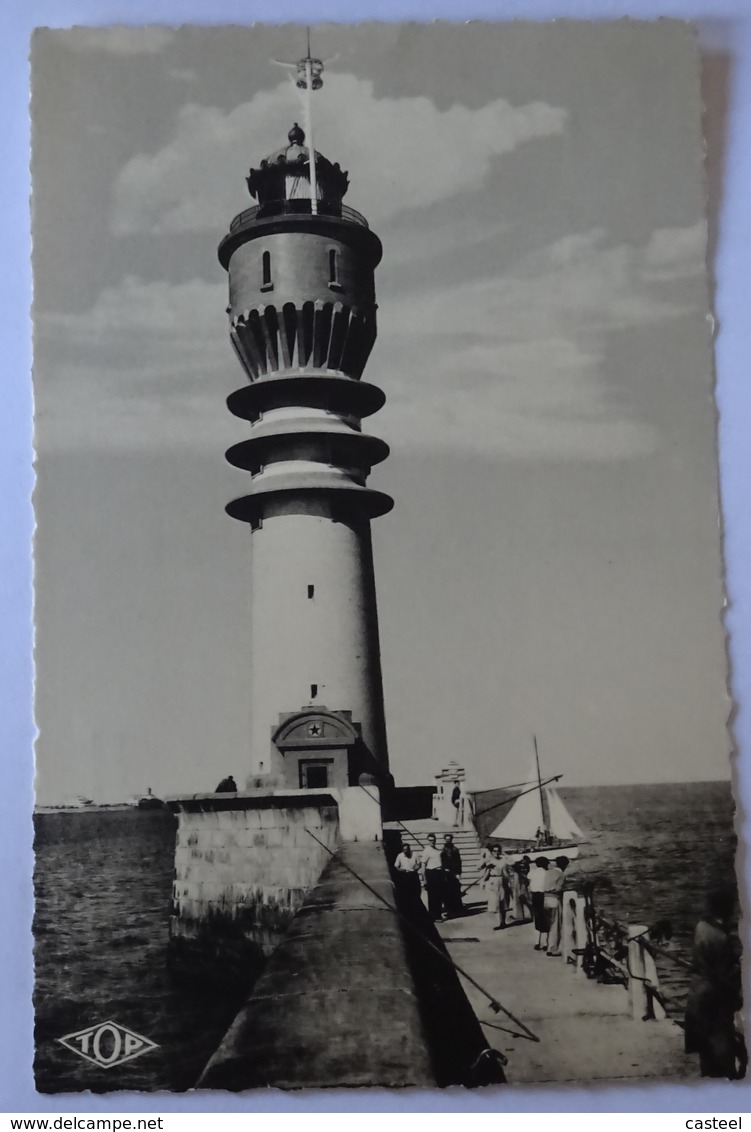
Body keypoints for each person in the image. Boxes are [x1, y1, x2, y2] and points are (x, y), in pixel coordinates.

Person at [685, 888, 744, 1078]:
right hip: (715, 996)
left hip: (698, 991)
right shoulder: (721, 937)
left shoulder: (701, 927)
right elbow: (723, 974)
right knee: (721, 1043)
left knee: (706, 1048)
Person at [544, 855, 569, 956]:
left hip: (545, 899)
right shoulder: (561, 874)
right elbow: (558, 889)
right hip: (554, 899)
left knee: (548, 924)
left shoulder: (548, 872)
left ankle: (546, 944)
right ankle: (553, 948)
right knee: (555, 925)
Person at [483, 845, 511, 930]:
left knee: (503, 902)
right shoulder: (489, 861)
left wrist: (509, 882)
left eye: (498, 851)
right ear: (492, 852)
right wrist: (483, 882)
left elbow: (506, 873)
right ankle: (499, 922)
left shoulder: (503, 861)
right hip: (492, 881)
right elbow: (485, 872)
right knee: (495, 902)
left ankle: (503, 922)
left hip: (501, 881)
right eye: (494, 851)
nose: (496, 853)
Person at [421, 833, 445, 921]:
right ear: (428, 841)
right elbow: (423, 865)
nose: (432, 842)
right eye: (430, 840)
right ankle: (433, 916)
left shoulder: (436, 850)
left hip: (439, 874)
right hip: (431, 873)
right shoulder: (427, 850)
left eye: (433, 840)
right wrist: (424, 880)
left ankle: (438, 915)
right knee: (432, 896)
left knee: (439, 895)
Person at [528, 857, 550, 950]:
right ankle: (545, 943)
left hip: (534, 896)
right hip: (543, 895)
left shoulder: (533, 872)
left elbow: (529, 879)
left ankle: (537, 942)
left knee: (537, 918)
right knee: (545, 919)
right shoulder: (546, 873)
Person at [441, 833, 464, 918]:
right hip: (446, 874)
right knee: (447, 894)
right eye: (446, 839)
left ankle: (458, 910)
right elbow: (442, 862)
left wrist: (458, 873)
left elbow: (459, 862)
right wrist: (444, 870)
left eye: (449, 839)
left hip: (454, 873)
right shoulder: (443, 850)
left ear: (451, 840)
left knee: (456, 892)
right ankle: (450, 911)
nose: (448, 840)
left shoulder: (455, 850)